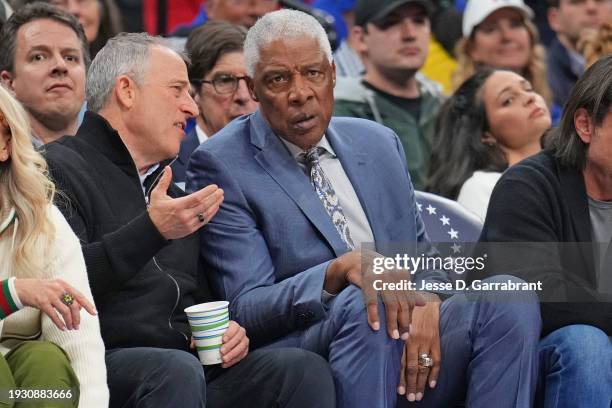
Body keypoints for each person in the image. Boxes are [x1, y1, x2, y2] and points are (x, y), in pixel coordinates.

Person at [188, 9, 542, 408]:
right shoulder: (222, 163)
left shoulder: (379, 143)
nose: (300, 92)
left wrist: (430, 299)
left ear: (334, 74)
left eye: (313, 73)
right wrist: (337, 272)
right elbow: (247, 307)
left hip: (411, 336)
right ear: (253, 89)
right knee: (368, 296)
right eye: (278, 79)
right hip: (319, 345)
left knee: (508, 293)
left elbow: (425, 263)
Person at [44, 32, 335, 408]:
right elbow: (62, 288)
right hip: (101, 364)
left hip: (189, 367)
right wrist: (151, 231)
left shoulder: (177, 200)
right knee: (173, 371)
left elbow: (204, 299)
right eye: (178, 90)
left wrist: (232, 331)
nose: (191, 109)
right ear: (127, 92)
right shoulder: (56, 169)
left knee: (298, 370)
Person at [479, 55, 612, 408]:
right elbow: (537, 290)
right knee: (585, 344)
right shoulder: (527, 185)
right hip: (532, 359)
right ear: (585, 125)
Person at [0, 83, 107, 407]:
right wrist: (14, 294)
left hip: (17, 392)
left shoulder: (42, 221)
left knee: (45, 360)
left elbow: (80, 337)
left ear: (6, 143)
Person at [333, 0, 445, 190]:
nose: (410, 34)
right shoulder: (340, 115)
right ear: (360, 38)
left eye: (419, 21)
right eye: (391, 23)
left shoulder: (446, 106)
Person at [426, 69, 550, 220]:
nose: (530, 97)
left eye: (528, 89)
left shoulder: (573, 169)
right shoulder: (483, 188)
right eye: (508, 100)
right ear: (485, 134)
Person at [172, 21, 257, 187]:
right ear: (193, 93)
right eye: (225, 80)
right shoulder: (167, 170)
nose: (243, 96)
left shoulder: (287, 160)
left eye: (251, 81)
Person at [0, 3, 88, 146]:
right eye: (39, 57)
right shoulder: (5, 163)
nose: (60, 65)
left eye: (70, 58)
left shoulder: (120, 152)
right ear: (9, 83)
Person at [453, 0, 552, 108]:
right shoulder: (456, 119)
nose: (507, 36)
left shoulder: (558, 115)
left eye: (515, 24)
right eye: (490, 29)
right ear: (471, 48)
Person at [546, 0, 612, 109]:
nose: (591, 7)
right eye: (577, 1)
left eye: (600, 0)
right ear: (554, 18)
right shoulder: (539, 77)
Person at [172, 0, 279, 37]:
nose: (258, 11)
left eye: (267, 0)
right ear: (210, 7)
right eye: (240, 1)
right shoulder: (180, 50)